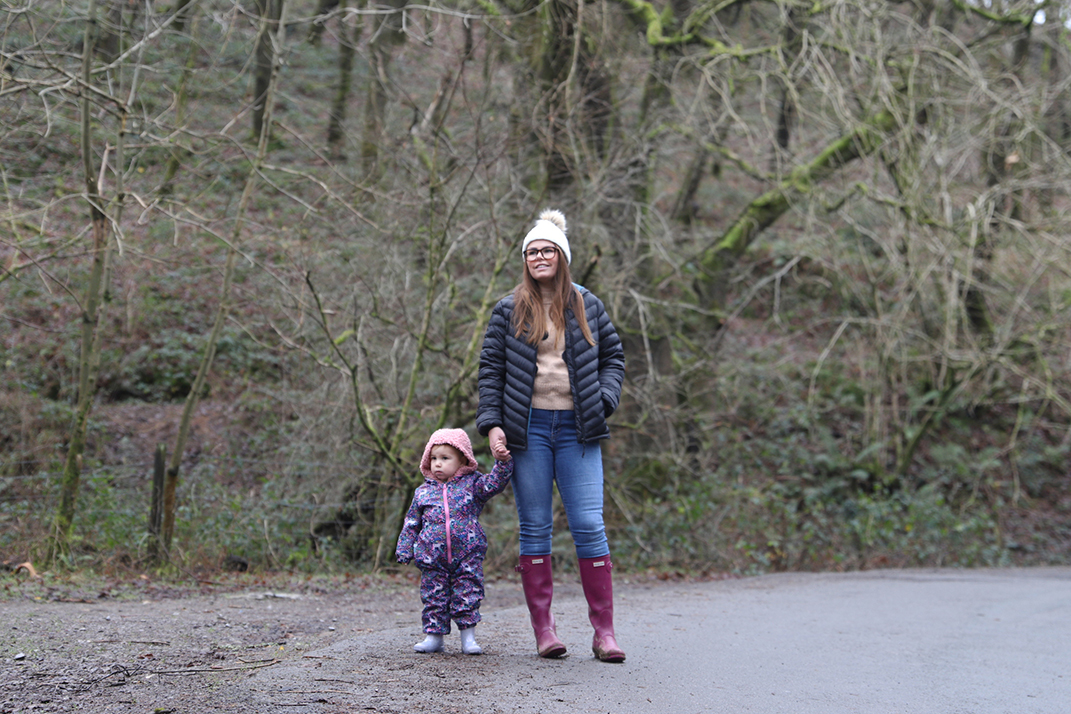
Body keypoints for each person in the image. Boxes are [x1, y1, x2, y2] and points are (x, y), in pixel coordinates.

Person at [476, 209, 626, 663]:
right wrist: (493, 423)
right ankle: (545, 631)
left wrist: (604, 400)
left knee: (588, 525)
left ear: (562, 256)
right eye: (532, 252)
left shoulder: (587, 304)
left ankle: (604, 634)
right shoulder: (508, 309)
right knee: (535, 527)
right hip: (530, 431)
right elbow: (490, 371)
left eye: (547, 250)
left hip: (579, 431)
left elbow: (614, 358)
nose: (540, 257)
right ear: (526, 259)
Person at [395, 428, 513, 655]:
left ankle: (468, 638)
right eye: (434, 458)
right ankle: (433, 636)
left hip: (467, 554)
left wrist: (503, 462)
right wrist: (405, 548)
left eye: (445, 458)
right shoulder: (423, 493)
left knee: (467, 592)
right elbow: (411, 522)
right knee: (433, 596)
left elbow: (495, 484)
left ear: (462, 460)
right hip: (432, 557)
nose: (437, 464)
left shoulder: (473, 485)